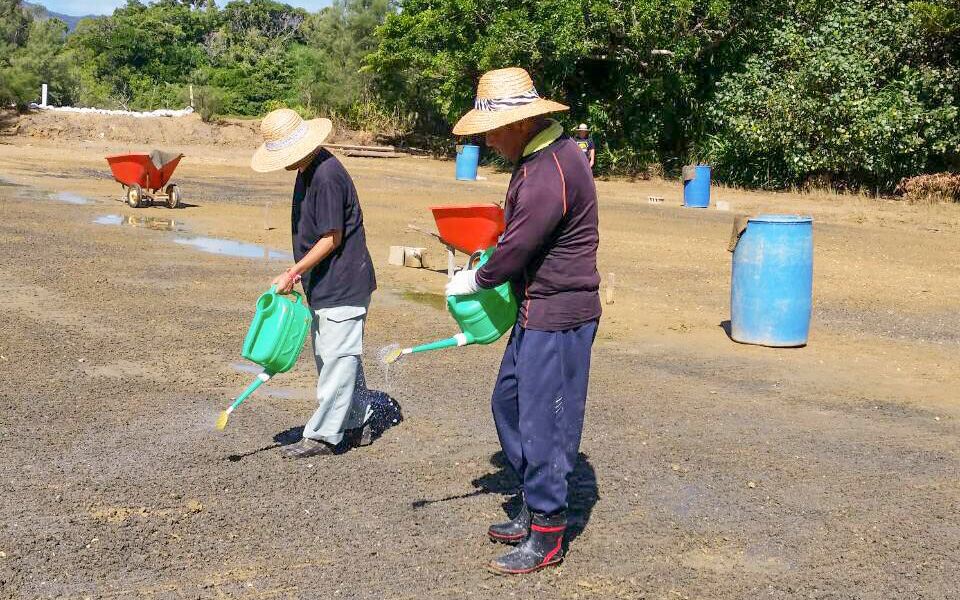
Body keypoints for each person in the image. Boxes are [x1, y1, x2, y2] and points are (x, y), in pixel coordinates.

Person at [447, 68, 601, 574]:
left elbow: (519, 247)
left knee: (545, 422)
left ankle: (548, 532)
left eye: (491, 130)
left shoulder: (549, 169)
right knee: (509, 403)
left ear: (518, 123)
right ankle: (532, 500)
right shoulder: (541, 159)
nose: (488, 141)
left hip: (559, 314)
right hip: (535, 310)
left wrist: (477, 278)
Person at [250, 108, 377, 458]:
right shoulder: (309, 170)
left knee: (336, 358)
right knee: (339, 357)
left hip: (344, 282)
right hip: (326, 282)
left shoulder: (326, 175)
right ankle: (358, 419)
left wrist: (292, 272)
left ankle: (323, 436)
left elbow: (331, 238)